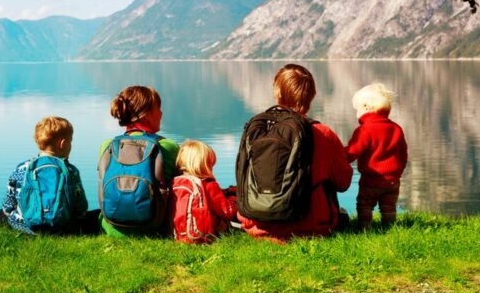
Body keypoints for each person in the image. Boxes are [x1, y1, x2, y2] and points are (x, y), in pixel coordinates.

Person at [237, 63, 353, 243]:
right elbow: (343, 183)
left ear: (277, 93)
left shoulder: (258, 130)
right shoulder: (323, 133)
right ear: (312, 95)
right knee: (342, 214)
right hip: (310, 226)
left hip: (256, 224)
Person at [98, 85, 179, 237]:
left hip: (112, 229)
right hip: (155, 229)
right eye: (158, 108)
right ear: (147, 114)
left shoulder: (107, 146)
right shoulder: (167, 146)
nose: (161, 113)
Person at [0, 116, 92, 234]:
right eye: (70, 141)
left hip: (25, 227)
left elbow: (8, 206)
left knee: (0, 214)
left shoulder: (22, 168)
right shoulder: (71, 171)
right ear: (62, 143)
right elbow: (81, 208)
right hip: (62, 228)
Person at [345, 83, 408, 230]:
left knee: (365, 205)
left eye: (357, 109)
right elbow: (403, 154)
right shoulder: (396, 128)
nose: (356, 114)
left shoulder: (364, 130)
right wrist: (397, 172)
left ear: (367, 107)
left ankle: (364, 229)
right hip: (392, 180)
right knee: (389, 207)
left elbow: (352, 152)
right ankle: (389, 228)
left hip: (370, 180)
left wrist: (337, 155)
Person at [171, 140, 237, 243]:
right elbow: (227, 212)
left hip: (178, 234)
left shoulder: (176, 182)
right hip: (204, 235)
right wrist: (234, 201)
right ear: (205, 164)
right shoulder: (209, 184)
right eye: (211, 164)